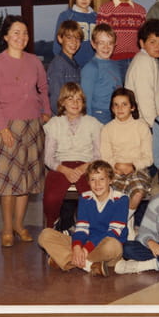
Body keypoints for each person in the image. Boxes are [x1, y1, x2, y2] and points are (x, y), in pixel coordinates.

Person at [0, 15, 52, 248]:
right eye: (15, 32)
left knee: (27, 180)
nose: (21, 37)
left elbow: (43, 88)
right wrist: (3, 128)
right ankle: (6, 228)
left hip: (32, 126)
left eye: (24, 33)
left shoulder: (34, 61)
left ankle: (19, 225)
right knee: (9, 182)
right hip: (7, 126)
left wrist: (46, 111)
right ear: (5, 36)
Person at [38, 160, 128, 277]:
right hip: (86, 244)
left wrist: (85, 249)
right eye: (93, 180)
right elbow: (81, 229)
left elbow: (113, 232)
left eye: (102, 179)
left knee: (113, 246)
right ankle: (89, 265)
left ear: (110, 180)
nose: (97, 184)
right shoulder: (85, 198)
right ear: (88, 182)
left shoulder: (121, 199)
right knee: (45, 235)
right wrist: (76, 247)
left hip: (105, 246)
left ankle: (66, 260)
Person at [42, 82, 103, 229]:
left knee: (90, 197)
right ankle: (53, 226)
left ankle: (88, 228)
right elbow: (48, 158)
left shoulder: (93, 123)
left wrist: (83, 168)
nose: (75, 103)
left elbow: (98, 154)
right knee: (51, 198)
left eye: (79, 99)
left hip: (87, 165)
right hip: (61, 165)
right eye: (70, 99)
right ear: (62, 102)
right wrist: (65, 170)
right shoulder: (54, 123)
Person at [99, 87, 153, 239]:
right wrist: (115, 166)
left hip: (137, 169)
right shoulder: (107, 129)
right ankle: (126, 223)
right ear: (112, 108)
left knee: (138, 192)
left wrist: (133, 166)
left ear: (132, 107)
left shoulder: (141, 127)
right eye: (116, 105)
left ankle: (122, 222)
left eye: (124, 104)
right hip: (114, 170)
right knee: (114, 195)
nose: (120, 108)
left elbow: (148, 157)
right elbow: (105, 156)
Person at [96, 0, 147, 77]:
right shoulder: (105, 10)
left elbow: (144, 38)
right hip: (113, 60)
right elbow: (99, 38)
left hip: (136, 60)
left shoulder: (140, 11)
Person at [124, 19, 159, 127]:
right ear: (142, 43)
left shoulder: (149, 59)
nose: (158, 46)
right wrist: (156, 127)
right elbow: (145, 101)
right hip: (146, 124)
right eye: (152, 42)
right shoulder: (144, 62)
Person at [81, 23, 123, 125]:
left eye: (110, 43)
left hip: (116, 113)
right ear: (93, 44)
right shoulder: (91, 68)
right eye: (101, 43)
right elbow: (86, 100)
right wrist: (88, 124)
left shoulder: (115, 65)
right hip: (99, 115)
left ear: (115, 44)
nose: (106, 47)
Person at [52, 0, 97, 66]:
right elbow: (57, 45)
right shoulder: (66, 16)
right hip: (71, 65)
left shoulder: (97, 17)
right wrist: (61, 64)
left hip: (92, 65)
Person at [47, 20, 83, 106]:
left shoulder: (76, 65)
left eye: (77, 38)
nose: (74, 42)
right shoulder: (58, 65)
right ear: (60, 39)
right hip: (63, 113)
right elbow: (55, 99)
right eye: (69, 38)